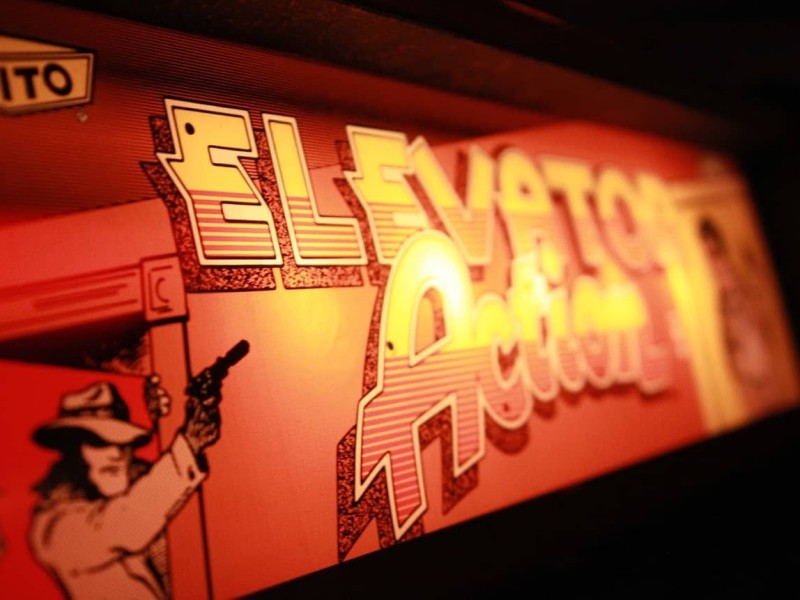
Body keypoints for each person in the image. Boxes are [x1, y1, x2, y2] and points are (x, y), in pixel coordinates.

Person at [29, 379, 221, 599]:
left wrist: (168, 419)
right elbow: (125, 522)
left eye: (123, 441)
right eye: (99, 443)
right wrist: (189, 444)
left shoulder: (140, 492)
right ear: (73, 454)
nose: (116, 454)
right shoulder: (53, 528)